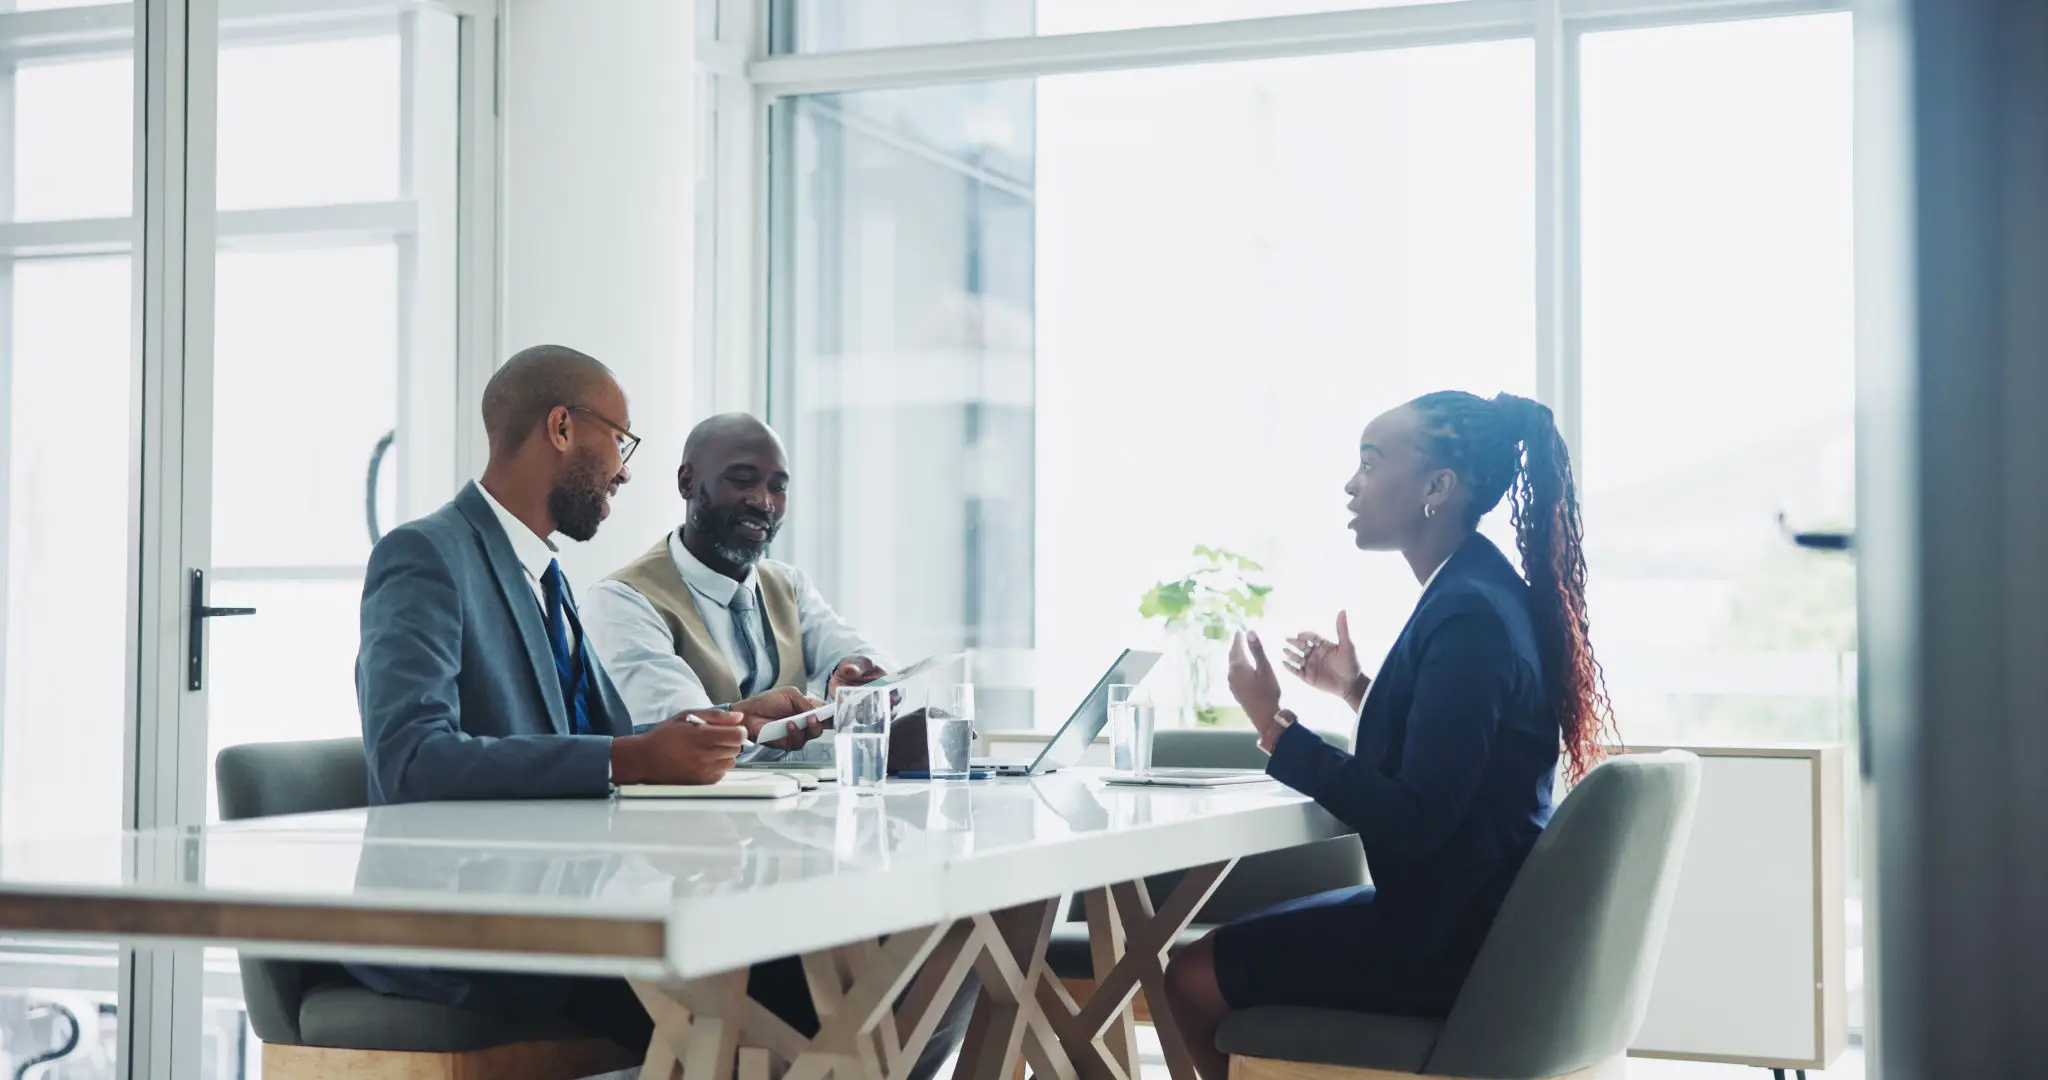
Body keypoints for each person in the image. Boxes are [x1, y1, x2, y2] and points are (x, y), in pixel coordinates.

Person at [352, 345, 823, 1054]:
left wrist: (734, 723)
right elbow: (412, 760)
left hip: (577, 913)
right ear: (563, 428)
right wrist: (631, 757)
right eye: (621, 440)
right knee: (793, 996)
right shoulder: (426, 555)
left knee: (822, 969)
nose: (627, 469)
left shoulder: (549, 576)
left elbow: (597, 736)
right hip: (477, 934)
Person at [1160, 391, 1620, 1080]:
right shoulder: (1477, 589)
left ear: (1437, 487)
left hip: (1446, 939)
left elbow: (1417, 818)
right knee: (1202, 960)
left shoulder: (1468, 613)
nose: (1351, 483)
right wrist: (1354, 689)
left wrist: (1272, 723)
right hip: (1469, 917)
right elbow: (1462, 751)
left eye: (1370, 464)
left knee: (1190, 977)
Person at [583, 413, 912, 766]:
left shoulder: (789, 586)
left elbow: (874, 663)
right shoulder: (622, 600)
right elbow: (695, 741)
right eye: (742, 480)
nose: (764, 501)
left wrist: (854, 675)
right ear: (687, 482)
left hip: (796, 817)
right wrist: (874, 752)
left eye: (779, 487)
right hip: (684, 820)